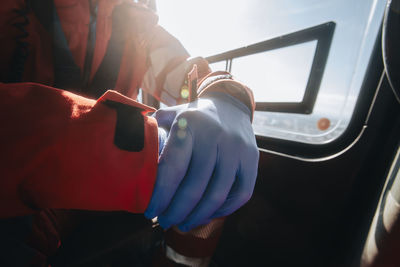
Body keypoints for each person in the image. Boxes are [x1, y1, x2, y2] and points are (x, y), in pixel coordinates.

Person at [0, 0, 259, 265]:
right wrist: (137, 151)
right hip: (31, 194)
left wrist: (225, 95)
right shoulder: (10, 12)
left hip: (114, 190)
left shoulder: (139, 27)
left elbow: (181, 68)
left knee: (210, 167)